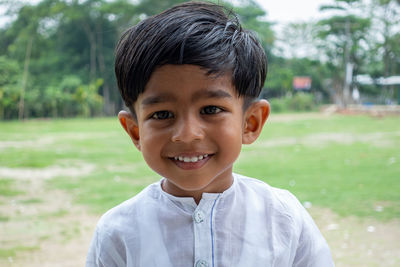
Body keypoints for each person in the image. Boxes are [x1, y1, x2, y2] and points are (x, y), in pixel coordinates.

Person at [86, 2, 334, 266]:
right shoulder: (118, 232)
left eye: (211, 109)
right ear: (135, 131)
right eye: (162, 114)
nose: (187, 134)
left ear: (250, 123)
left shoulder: (284, 219)